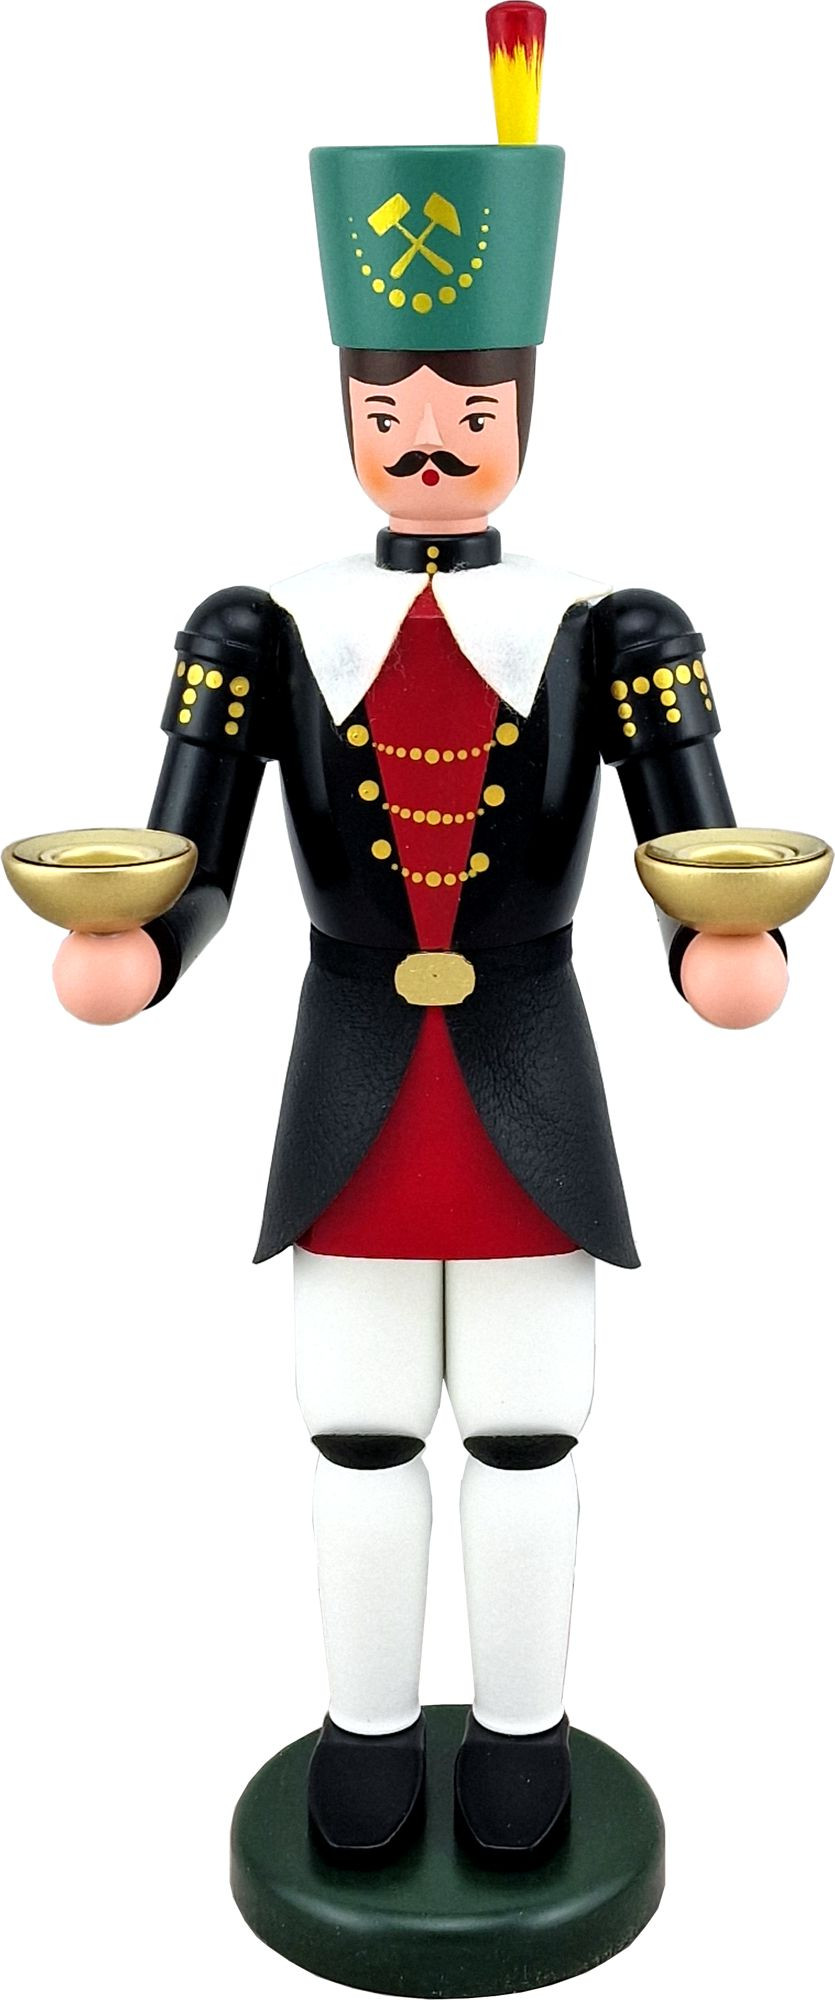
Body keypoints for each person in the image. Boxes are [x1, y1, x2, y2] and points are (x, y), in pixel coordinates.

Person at [50, 16, 788, 1867]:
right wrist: (149, 948)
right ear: (347, 417)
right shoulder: (259, 625)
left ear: (525, 411)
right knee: (360, 1430)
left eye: (467, 414)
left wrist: (716, 948)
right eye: (391, 418)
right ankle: (368, 1731)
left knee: (531, 1431)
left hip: (530, 1066)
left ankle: (526, 1733)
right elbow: (189, 852)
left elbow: (695, 843)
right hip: (354, 1076)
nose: (432, 446)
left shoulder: (617, 626)